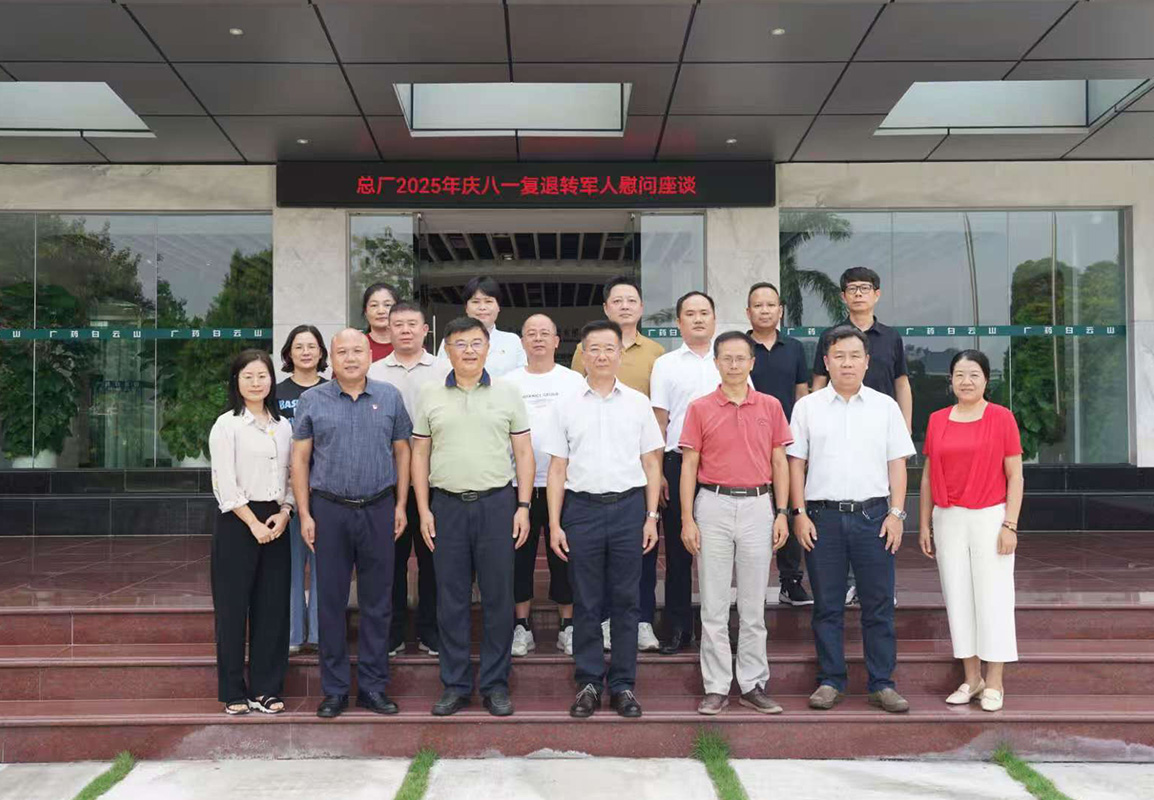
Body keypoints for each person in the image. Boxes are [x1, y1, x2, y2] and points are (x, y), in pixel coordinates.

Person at [788, 326, 915, 714]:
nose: (847, 363)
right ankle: (830, 680)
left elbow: (898, 464)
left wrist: (897, 514)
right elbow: (795, 464)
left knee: (878, 604)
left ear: (866, 361)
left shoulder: (885, 406)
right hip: (822, 518)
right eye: (839, 356)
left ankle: (882, 683)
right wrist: (798, 513)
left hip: (874, 517)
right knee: (827, 606)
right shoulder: (807, 407)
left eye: (854, 356)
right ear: (826, 362)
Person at [412, 316, 534, 717]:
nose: (468, 350)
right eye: (460, 343)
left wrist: (523, 506)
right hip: (446, 506)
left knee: (499, 598)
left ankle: (496, 685)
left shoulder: (508, 392)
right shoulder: (430, 394)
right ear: (446, 350)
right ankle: (456, 684)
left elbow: (524, 453)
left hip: (497, 505)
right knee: (451, 599)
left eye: (476, 343)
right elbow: (419, 454)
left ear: (487, 348)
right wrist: (423, 508)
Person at [543, 320, 664, 718]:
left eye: (609, 348)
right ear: (582, 354)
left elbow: (651, 462)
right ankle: (589, 682)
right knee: (587, 601)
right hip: (582, 511)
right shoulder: (565, 404)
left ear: (619, 354)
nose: (601, 356)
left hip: (629, 508)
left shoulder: (638, 403)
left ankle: (624, 685)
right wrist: (555, 523)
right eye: (593, 348)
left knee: (627, 601)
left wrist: (651, 516)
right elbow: (557, 469)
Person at [291, 329, 412, 719]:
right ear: (331, 357)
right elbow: (300, 460)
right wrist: (305, 513)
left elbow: (403, 452)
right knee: (330, 602)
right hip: (329, 510)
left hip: (379, 508)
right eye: (342, 351)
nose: (350, 357)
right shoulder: (312, 400)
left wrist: (401, 504)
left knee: (378, 602)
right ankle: (335, 690)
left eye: (358, 350)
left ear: (370, 355)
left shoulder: (389, 396)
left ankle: (374, 687)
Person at [680, 332, 793, 716]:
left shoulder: (771, 406)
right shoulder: (699, 408)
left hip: (758, 505)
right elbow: (689, 466)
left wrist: (782, 512)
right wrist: (687, 518)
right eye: (726, 358)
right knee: (713, 605)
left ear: (752, 362)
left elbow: (779, 461)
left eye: (740, 358)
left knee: (753, 604)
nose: (733, 365)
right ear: (716, 363)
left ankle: (752, 684)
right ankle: (715, 686)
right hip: (713, 503)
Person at [919, 350, 1023, 713]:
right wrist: (924, 523)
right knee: (958, 596)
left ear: (986, 380)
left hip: (990, 517)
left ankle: (995, 681)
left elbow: (1015, 475)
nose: (966, 381)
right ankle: (972, 677)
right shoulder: (937, 420)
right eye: (960, 375)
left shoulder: (1001, 417)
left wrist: (1010, 524)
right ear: (950, 380)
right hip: (948, 518)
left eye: (974, 374)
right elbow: (928, 476)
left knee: (994, 598)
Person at [571, 275, 665, 653]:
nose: (625, 306)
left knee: (641, 553)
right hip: (593, 470)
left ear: (641, 307)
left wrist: (656, 472)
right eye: (617, 301)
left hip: (638, 463)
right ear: (606, 308)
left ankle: (642, 621)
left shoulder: (657, 353)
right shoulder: (585, 352)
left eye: (631, 300)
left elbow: (659, 414)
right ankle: (604, 624)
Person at [810, 267, 912, 607]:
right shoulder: (831, 336)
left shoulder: (891, 337)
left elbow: (901, 383)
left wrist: (904, 428)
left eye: (865, 288)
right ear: (843, 296)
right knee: (844, 500)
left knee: (878, 505)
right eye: (852, 289)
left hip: (879, 431)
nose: (858, 294)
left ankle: (878, 584)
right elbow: (818, 382)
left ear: (876, 294)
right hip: (836, 428)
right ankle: (847, 583)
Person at [208, 349, 294, 716]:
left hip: (276, 520)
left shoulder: (284, 425)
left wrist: (286, 512)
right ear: (236, 382)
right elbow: (224, 482)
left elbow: (291, 475)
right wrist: (253, 522)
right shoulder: (226, 425)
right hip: (237, 521)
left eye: (262, 376)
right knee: (232, 609)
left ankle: (266, 689)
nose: (256, 383)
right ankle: (233, 691)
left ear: (272, 380)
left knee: (272, 608)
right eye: (248, 376)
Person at [368, 301, 448, 659]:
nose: (405, 330)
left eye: (412, 324)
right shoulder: (374, 372)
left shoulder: (445, 369)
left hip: (436, 481)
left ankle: (431, 631)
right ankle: (393, 633)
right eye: (397, 324)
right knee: (391, 561)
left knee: (434, 561)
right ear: (388, 329)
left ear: (425, 330)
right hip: (388, 481)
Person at [504, 314, 585, 657]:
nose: (538, 339)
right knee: (518, 558)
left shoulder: (573, 381)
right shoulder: (507, 383)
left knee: (564, 557)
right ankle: (521, 627)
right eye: (531, 334)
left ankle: (568, 626)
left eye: (544, 334)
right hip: (515, 485)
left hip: (563, 485)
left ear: (556, 341)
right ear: (522, 342)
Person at [649, 290, 722, 655]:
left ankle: (716, 630)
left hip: (722, 466)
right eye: (690, 313)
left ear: (714, 319)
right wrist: (659, 472)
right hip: (678, 463)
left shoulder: (728, 360)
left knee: (718, 551)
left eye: (704, 313)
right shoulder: (666, 365)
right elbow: (659, 422)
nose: (698, 319)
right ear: (679, 322)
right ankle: (678, 628)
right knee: (679, 550)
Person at [746, 281, 812, 607]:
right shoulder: (739, 347)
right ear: (748, 312)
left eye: (770, 305)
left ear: (781, 310)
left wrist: (802, 440)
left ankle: (791, 580)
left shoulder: (795, 348)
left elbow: (802, 394)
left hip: (786, 442)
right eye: (758, 305)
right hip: (746, 443)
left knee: (788, 507)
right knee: (752, 513)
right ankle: (748, 583)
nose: (765, 310)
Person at [277, 325, 327, 656]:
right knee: (292, 565)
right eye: (299, 346)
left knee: (325, 565)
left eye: (311, 346)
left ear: (321, 352)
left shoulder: (333, 390)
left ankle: (321, 634)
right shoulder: (276, 392)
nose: (306, 352)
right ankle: (294, 633)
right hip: (286, 493)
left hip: (325, 489)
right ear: (289, 353)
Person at [436, 275, 526, 378]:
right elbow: (442, 376)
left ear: (498, 307)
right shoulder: (451, 340)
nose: (482, 307)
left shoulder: (512, 341)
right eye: (475, 302)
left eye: (488, 301)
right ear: (466, 308)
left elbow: (522, 378)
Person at [362, 282, 400, 362]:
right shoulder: (357, 345)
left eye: (387, 305)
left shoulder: (410, 345)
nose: (381, 311)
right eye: (374, 305)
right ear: (365, 312)